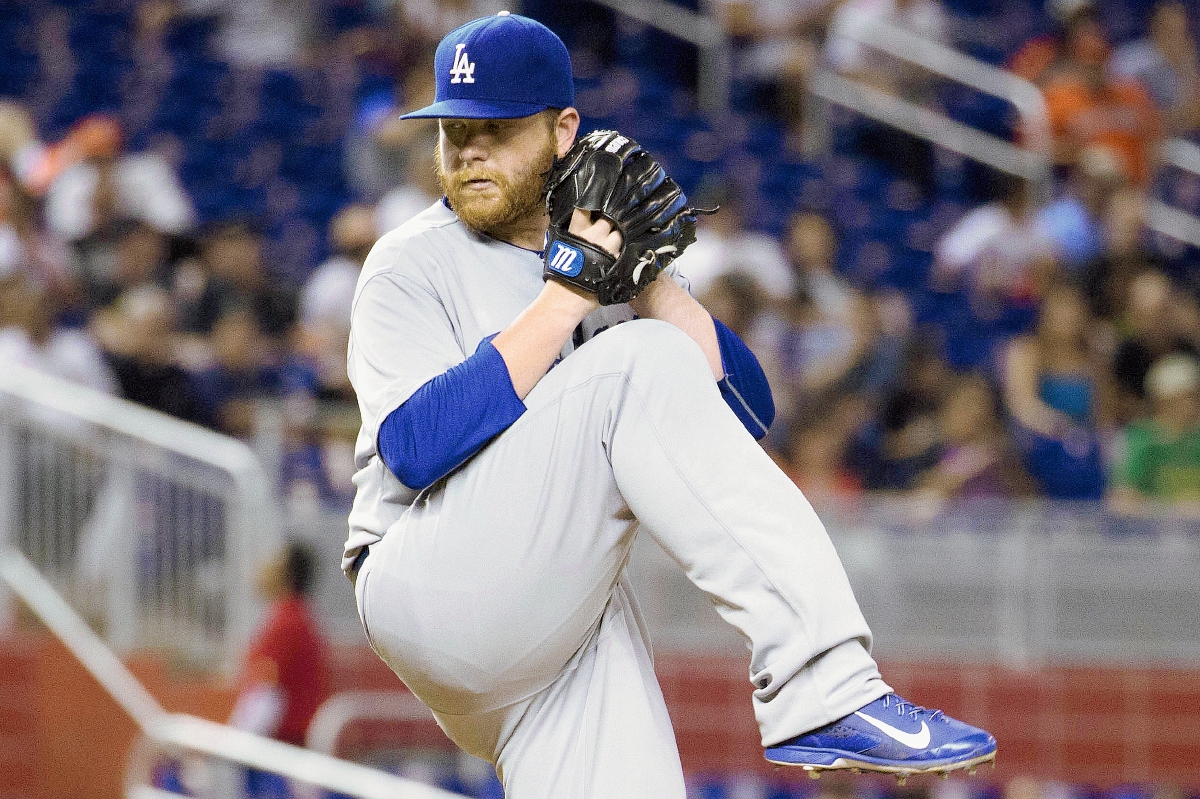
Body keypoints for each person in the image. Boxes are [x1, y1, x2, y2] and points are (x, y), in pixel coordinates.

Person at [344, 13, 995, 798]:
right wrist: (570, 297)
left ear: (562, 132)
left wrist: (650, 281)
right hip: (427, 579)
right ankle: (823, 683)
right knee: (635, 361)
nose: (470, 149)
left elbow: (745, 416)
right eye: (454, 130)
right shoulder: (409, 262)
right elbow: (413, 448)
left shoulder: (597, 247)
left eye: (497, 128)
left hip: (554, 621)